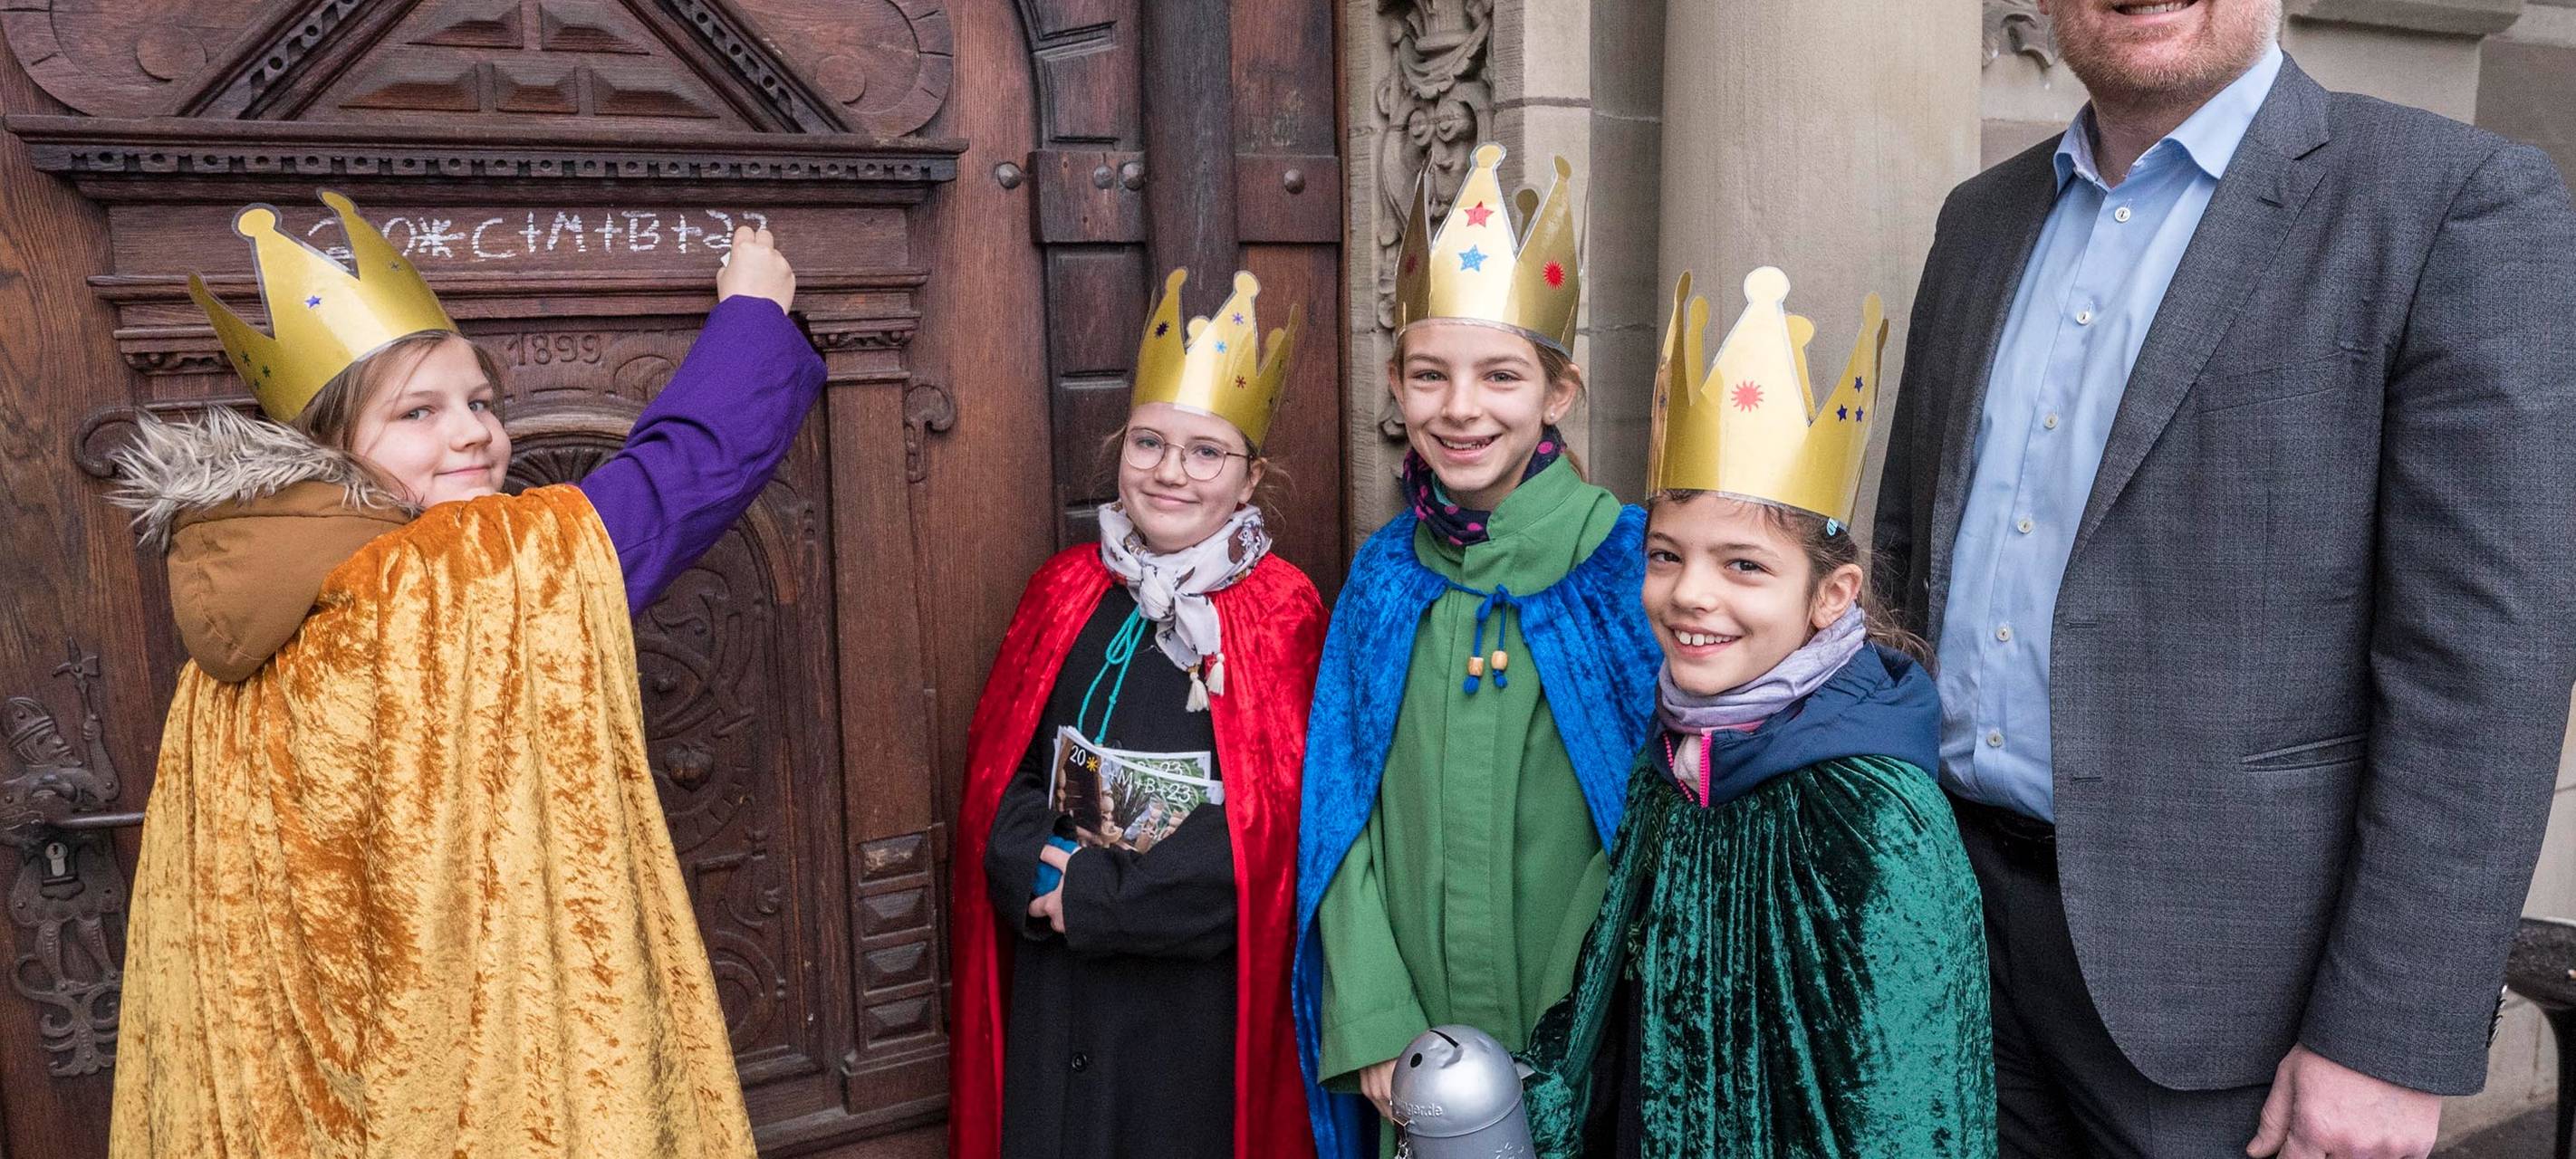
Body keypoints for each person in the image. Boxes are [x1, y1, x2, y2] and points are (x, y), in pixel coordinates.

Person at [1870, 2, 2576, 1154]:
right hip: (1951, 940)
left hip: (2232, 1004)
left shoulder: (2448, 202)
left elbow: (2485, 670)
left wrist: (2391, 1035)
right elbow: (1906, 561)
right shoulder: (1981, 220)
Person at [106, 190, 823, 1156]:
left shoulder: (247, 607)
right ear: (328, 451)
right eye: (419, 411)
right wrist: (753, 317)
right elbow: (674, 483)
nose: (474, 434)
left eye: (480, 401)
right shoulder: (447, 571)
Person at [1517, 269, 1991, 1158]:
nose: (1690, 593)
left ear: (1831, 593)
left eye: (1743, 565)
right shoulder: (1683, 749)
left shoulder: (1872, 816)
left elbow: (1906, 1112)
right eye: (1666, 554)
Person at [1294, 143, 1663, 1159]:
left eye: (1501, 374)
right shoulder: (1383, 577)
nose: (1461, 408)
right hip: (1413, 1048)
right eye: (1430, 374)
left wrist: (1576, 1021)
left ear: (1558, 393)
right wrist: (1373, 1014)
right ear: (1397, 386)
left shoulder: (1628, 570)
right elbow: (1340, 810)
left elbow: (1648, 819)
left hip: (1581, 1035)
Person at [948, 270, 1325, 1159]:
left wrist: (1106, 899)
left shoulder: (1282, 609)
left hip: (1185, 994)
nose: (1169, 471)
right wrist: (1035, 874)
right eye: (1149, 442)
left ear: (1250, 476)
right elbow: (1005, 768)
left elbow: (1278, 829)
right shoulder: (1067, 586)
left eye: (1205, 453)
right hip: (1054, 956)